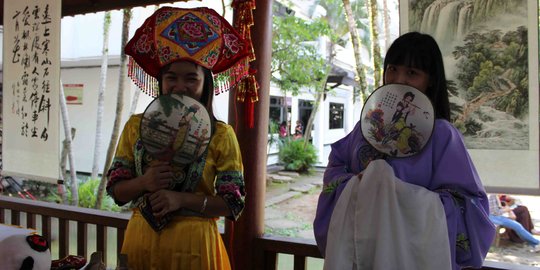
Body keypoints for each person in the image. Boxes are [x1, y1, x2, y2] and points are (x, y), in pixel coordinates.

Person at [313, 32, 495, 269]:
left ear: (430, 80)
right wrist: (355, 184)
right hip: (359, 257)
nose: (398, 79)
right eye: (393, 68)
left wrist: (398, 195)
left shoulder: (441, 136)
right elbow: (335, 172)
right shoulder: (367, 127)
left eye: (412, 73)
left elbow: (469, 206)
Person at [106, 7, 248, 270]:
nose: (179, 86)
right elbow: (115, 191)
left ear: (206, 83)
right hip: (140, 243)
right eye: (171, 78)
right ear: (161, 81)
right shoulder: (135, 126)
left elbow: (232, 204)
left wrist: (180, 200)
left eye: (190, 79)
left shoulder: (221, 135)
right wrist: (144, 182)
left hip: (196, 248)